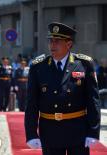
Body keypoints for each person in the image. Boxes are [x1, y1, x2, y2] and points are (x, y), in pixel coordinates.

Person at [24, 22, 100, 155]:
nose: (52, 45)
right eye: (50, 41)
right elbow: (31, 104)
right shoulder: (38, 67)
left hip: (77, 131)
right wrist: (31, 133)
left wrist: (93, 131)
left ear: (69, 44)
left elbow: (93, 100)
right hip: (50, 132)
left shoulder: (84, 65)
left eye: (57, 41)